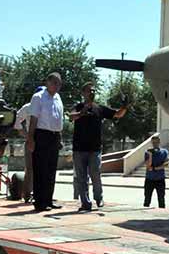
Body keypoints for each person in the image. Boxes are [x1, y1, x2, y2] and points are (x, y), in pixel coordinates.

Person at [70, 82, 127, 211]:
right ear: (83, 93)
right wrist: (81, 113)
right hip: (79, 149)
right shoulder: (78, 106)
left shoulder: (99, 108)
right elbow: (70, 117)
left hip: (94, 149)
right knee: (81, 177)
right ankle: (85, 202)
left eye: (94, 91)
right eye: (89, 91)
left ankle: (98, 198)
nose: (92, 93)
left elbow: (118, 114)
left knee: (95, 174)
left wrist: (125, 105)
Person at [26, 73, 64, 212]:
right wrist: (30, 138)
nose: (57, 86)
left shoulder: (58, 98)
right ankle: (40, 202)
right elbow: (34, 119)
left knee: (51, 170)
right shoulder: (38, 97)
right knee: (40, 169)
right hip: (41, 135)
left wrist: (60, 137)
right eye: (54, 82)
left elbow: (59, 119)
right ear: (47, 82)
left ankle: (48, 199)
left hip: (54, 136)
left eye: (59, 83)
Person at [13, 101, 33, 202]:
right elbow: (17, 119)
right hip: (32, 139)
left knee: (44, 168)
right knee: (30, 169)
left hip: (46, 140)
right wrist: (26, 135)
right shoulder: (29, 106)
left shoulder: (49, 105)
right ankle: (27, 195)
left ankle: (43, 195)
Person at [143, 135, 169, 208]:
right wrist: (150, 155)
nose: (155, 144)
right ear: (151, 143)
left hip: (160, 179)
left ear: (159, 142)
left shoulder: (164, 152)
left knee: (161, 198)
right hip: (149, 179)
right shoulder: (147, 152)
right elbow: (148, 166)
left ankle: (162, 214)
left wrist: (155, 168)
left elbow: (166, 164)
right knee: (147, 198)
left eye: (156, 142)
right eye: (153, 143)